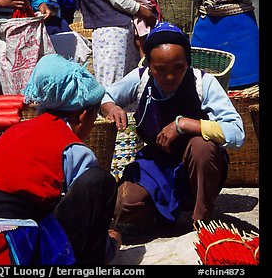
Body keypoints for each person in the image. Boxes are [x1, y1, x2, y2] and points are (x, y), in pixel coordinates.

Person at [0, 53, 121, 266]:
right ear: (83, 116)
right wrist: (109, 245)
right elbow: (81, 214)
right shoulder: (74, 149)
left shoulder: (13, 131)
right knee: (99, 182)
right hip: (9, 243)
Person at [100, 21, 245, 229]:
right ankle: (168, 213)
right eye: (160, 69)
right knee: (122, 207)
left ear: (188, 63)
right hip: (157, 163)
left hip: (196, 164)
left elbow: (237, 133)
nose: (170, 76)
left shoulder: (203, 83)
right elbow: (104, 95)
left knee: (201, 147)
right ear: (149, 66)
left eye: (178, 68)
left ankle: (201, 217)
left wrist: (183, 124)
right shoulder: (140, 80)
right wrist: (110, 107)